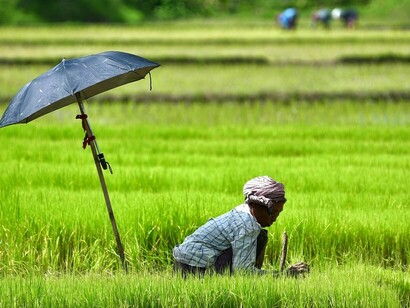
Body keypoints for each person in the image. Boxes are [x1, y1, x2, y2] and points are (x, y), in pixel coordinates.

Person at [172, 176, 309, 277]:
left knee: (261, 236)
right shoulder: (246, 225)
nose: (275, 218)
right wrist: (283, 275)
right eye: (273, 212)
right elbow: (242, 272)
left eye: (279, 213)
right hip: (192, 266)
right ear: (257, 206)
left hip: (189, 260)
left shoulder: (244, 212)